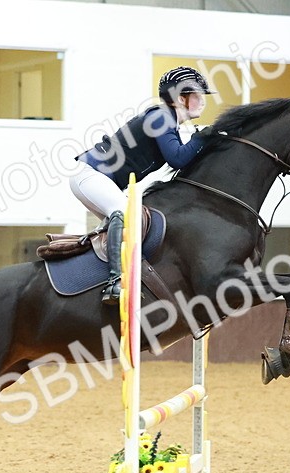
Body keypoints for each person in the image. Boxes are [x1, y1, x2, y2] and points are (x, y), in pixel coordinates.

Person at [71, 66, 218, 304]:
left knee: (129, 231)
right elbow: (178, 158)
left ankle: (94, 280)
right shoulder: (162, 117)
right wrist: (203, 136)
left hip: (95, 179)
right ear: (180, 98)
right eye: (197, 95)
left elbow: (184, 157)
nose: (203, 101)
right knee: (127, 216)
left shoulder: (168, 121)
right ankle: (115, 283)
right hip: (91, 176)